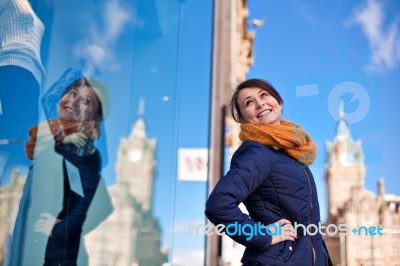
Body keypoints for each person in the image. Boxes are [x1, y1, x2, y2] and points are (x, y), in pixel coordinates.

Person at [205, 79, 332, 266]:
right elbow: (219, 205)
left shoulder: (288, 153)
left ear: (278, 102)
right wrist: (262, 235)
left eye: (264, 95)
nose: (260, 103)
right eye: (249, 102)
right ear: (242, 119)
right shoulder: (257, 152)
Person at [8, 69, 113, 266]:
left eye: (86, 101)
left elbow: (96, 206)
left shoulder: (80, 147)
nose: (73, 101)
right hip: (31, 249)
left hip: (54, 257)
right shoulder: (52, 139)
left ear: (96, 116)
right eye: (72, 93)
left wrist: (60, 229)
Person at [0, 0, 45, 181]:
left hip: (32, 79)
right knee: (7, 140)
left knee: (21, 150)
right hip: (11, 67)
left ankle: (6, 202)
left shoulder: (31, 6)